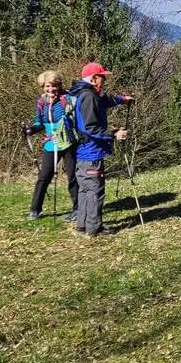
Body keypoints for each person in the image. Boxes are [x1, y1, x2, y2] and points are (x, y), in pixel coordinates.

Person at [67, 61, 134, 237]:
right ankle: (94, 228)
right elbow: (91, 128)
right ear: (94, 78)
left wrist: (121, 99)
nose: (104, 80)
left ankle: (82, 226)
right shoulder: (89, 97)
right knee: (95, 190)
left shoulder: (84, 93)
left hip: (82, 152)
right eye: (102, 77)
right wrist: (113, 135)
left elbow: (104, 100)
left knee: (85, 190)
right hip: (91, 151)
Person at [23, 70, 77, 221]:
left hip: (68, 142)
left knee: (73, 176)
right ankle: (35, 209)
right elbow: (39, 122)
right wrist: (32, 129)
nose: (50, 89)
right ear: (43, 87)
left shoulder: (67, 99)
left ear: (59, 86)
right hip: (50, 145)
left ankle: (78, 208)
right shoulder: (41, 103)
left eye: (54, 86)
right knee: (44, 177)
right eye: (47, 86)